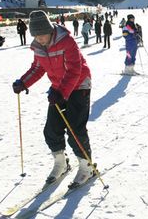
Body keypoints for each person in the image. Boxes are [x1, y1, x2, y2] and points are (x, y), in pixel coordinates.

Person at [12, 10, 94, 186]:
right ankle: (61, 163)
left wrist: (61, 92)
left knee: (75, 129)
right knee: (51, 129)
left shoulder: (66, 41)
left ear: (50, 30)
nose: (40, 39)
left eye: (43, 35)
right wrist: (23, 83)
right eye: (36, 36)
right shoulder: (38, 46)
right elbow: (38, 68)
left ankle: (87, 167)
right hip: (58, 89)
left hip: (79, 85)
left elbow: (74, 69)